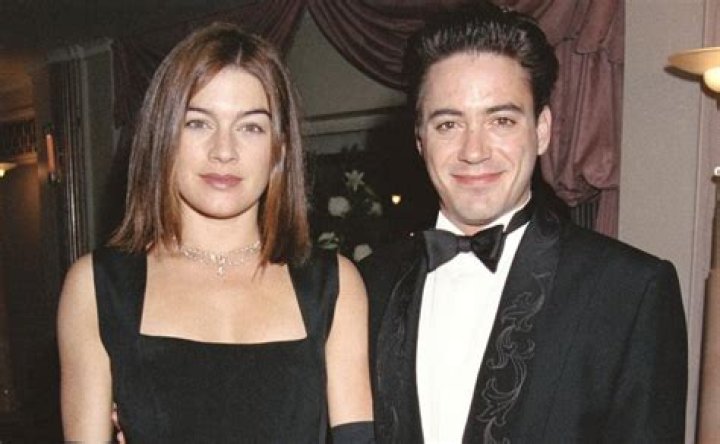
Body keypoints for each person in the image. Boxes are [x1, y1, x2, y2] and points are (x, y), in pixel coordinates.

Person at [359, 2, 688, 443]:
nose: (474, 151)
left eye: (501, 121)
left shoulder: (629, 291)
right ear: (420, 140)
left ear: (542, 130)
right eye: (448, 124)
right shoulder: (366, 287)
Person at [57, 23, 374, 443]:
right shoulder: (96, 288)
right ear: (163, 136)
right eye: (197, 123)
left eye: (251, 127)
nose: (223, 151)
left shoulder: (334, 286)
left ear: (279, 148)